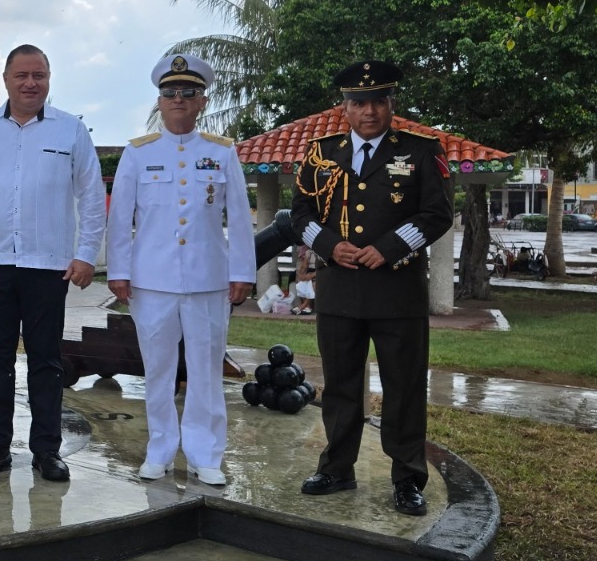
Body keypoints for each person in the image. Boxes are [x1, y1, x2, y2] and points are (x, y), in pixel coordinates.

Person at [292, 60, 453, 516]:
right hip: (339, 290)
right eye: (359, 102)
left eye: (378, 101)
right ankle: (337, 469)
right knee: (341, 386)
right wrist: (327, 244)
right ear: (344, 108)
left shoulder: (422, 151)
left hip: (397, 291)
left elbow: (437, 214)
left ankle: (407, 479)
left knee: (403, 388)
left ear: (390, 105)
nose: (369, 110)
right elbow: (300, 213)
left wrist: (389, 247)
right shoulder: (321, 153)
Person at [0, 44, 107, 482]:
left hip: (48, 265)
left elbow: (91, 196)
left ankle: (47, 451)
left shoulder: (70, 130)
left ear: (49, 79)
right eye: (22, 75)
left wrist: (86, 253)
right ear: (5, 79)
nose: (30, 83)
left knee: (46, 360)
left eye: (39, 75)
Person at [105, 53, 255, 486]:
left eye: (187, 94)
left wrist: (241, 271)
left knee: (207, 369)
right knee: (157, 369)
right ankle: (160, 449)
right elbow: (122, 220)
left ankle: (207, 454)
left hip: (208, 279)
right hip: (151, 281)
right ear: (160, 101)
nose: (178, 101)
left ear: (201, 101)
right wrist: (119, 270)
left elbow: (240, 217)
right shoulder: (138, 154)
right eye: (170, 94)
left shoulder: (221, 153)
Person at [291, 245, 317, 315]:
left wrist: (311, 275)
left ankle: (302, 307)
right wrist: (300, 275)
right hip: (309, 272)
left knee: (313, 285)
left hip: (319, 274)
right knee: (300, 284)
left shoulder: (323, 253)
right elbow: (304, 266)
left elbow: (323, 268)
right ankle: (307, 307)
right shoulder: (309, 252)